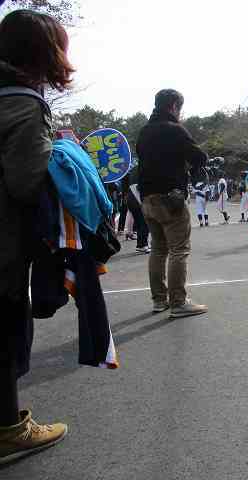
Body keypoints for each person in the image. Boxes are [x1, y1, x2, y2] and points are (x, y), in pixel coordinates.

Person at [0, 9, 73, 463]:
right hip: (3, 243)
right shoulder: (22, 102)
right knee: (6, 328)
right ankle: (9, 428)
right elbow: (27, 178)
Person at [137, 89, 208, 317]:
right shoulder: (174, 129)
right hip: (171, 199)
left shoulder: (144, 132)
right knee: (179, 250)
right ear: (174, 106)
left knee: (158, 250)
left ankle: (159, 300)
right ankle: (178, 302)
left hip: (147, 199)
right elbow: (200, 157)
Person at [126, 164, 150, 253]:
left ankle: (141, 244)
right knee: (144, 222)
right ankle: (143, 244)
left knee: (139, 222)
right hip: (137, 197)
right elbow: (140, 186)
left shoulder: (133, 169)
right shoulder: (144, 168)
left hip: (130, 197)